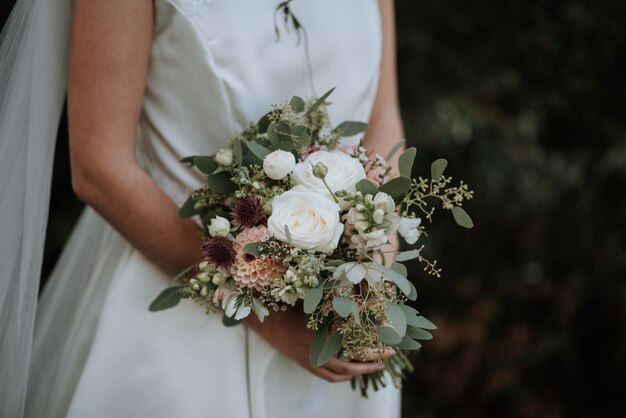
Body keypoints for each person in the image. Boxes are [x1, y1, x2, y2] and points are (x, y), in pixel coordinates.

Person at [1, 0, 405, 417]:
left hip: (338, 331)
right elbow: (99, 169)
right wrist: (262, 316)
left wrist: (374, 273)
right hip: (180, 318)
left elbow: (382, 118)